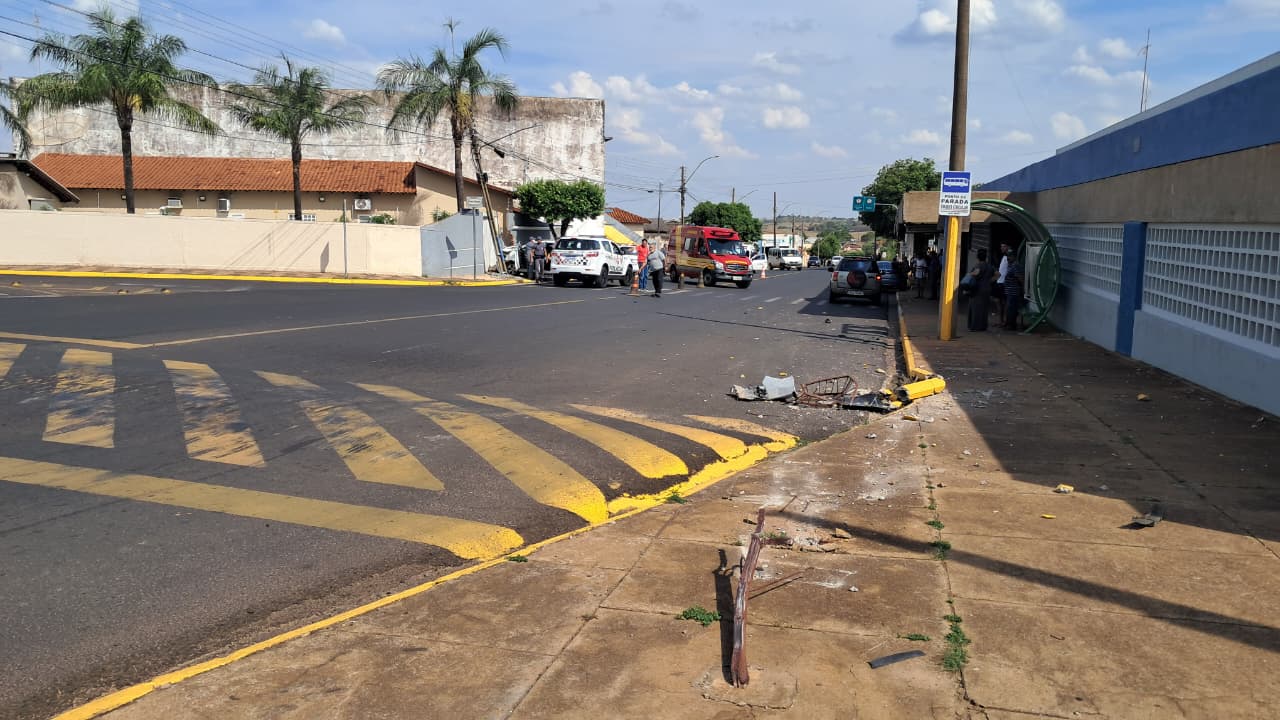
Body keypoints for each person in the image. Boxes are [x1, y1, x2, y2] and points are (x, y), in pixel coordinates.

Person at [967, 248, 994, 332]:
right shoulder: (989, 266)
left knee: (975, 308)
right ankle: (983, 326)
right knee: (984, 309)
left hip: (977, 290)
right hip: (986, 289)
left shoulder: (978, 266)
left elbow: (974, 275)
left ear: (977, 257)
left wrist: (969, 275)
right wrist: (989, 281)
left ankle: (975, 326)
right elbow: (998, 274)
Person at [1003, 249, 1024, 331]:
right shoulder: (1010, 265)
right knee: (1009, 308)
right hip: (1009, 291)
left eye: (1010, 256)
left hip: (1014, 291)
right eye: (1008, 256)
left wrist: (1023, 289)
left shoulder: (1015, 265)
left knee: (1012, 308)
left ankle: (1011, 325)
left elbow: (1020, 278)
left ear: (1014, 257)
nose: (1008, 258)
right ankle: (1009, 323)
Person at [992, 242, 1010, 323]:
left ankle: (1004, 321)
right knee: (998, 302)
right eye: (1001, 246)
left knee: (1003, 302)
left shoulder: (1009, 258)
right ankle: (1001, 320)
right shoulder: (1003, 257)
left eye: (1004, 246)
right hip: (999, 281)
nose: (1002, 248)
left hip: (1003, 283)